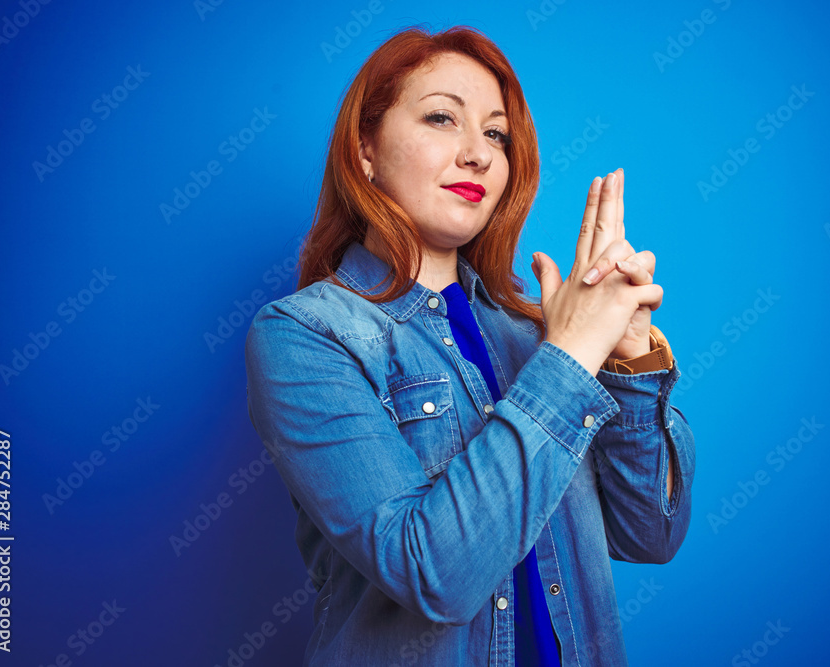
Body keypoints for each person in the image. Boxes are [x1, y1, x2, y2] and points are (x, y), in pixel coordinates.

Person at [244, 24, 695, 667]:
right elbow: (434, 573)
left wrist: (625, 357)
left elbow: (649, 533)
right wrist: (569, 360)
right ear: (365, 149)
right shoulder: (304, 335)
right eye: (441, 119)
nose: (478, 154)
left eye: (494, 134)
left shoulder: (538, 330)